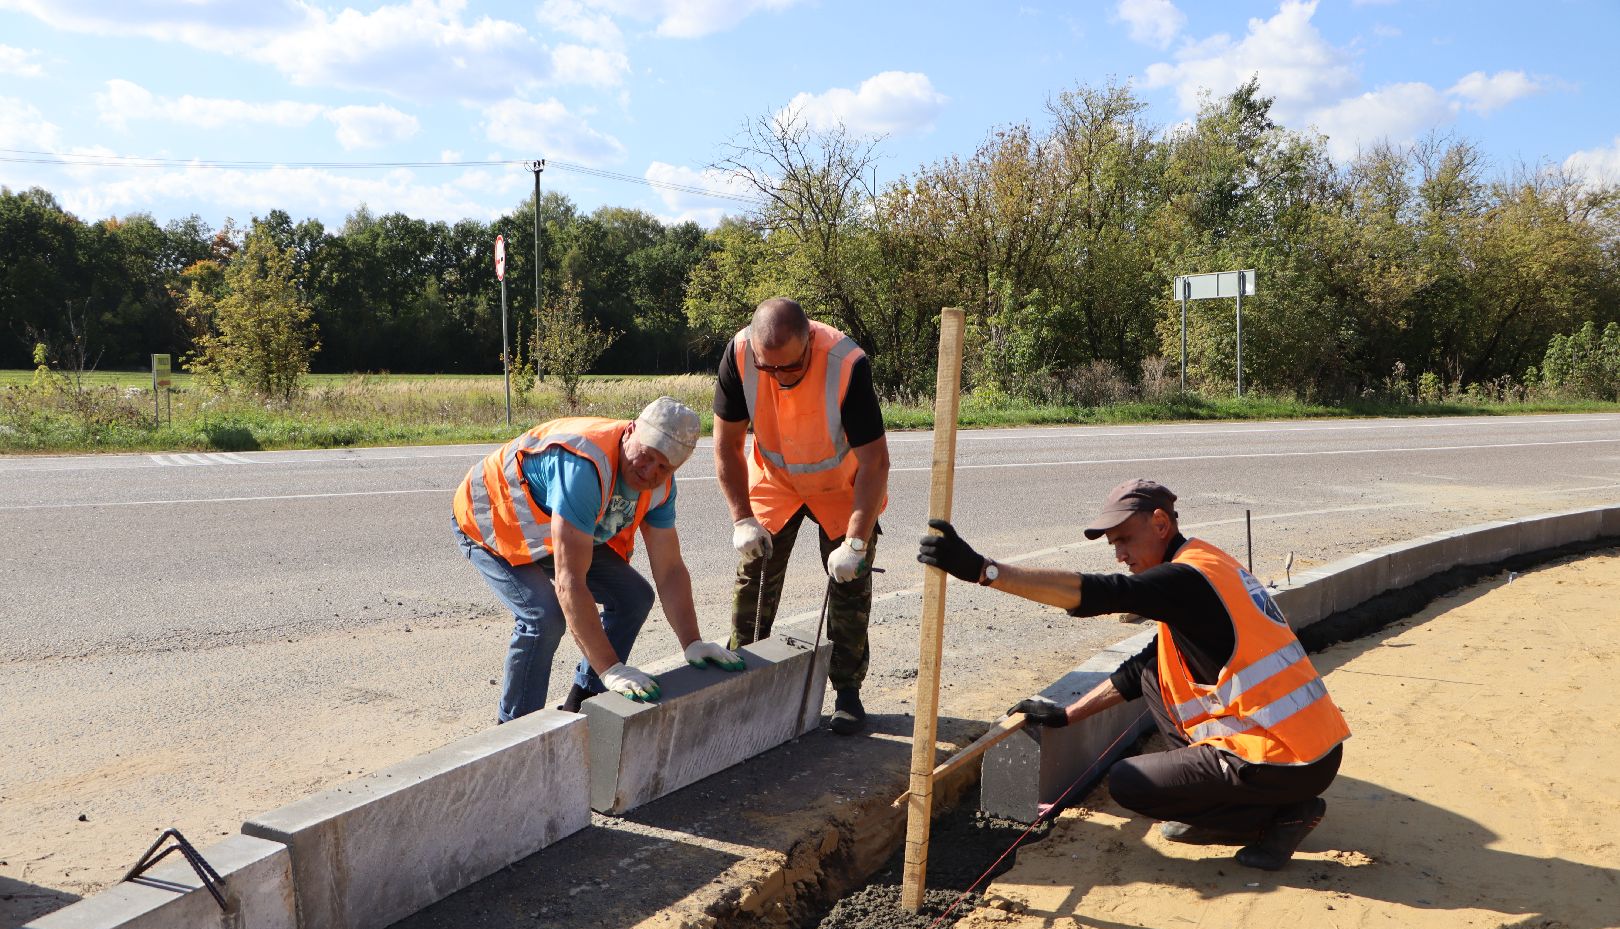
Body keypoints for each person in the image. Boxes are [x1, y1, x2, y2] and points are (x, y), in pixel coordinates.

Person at [917, 479, 1350, 871]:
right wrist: (1067, 714)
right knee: (1153, 672)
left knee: (1129, 782)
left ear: (1160, 523)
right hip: (1310, 748)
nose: (1120, 554)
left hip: (1282, 758)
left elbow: (1100, 593)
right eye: (1113, 545)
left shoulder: (1184, 579)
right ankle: (1244, 809)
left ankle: (1278, 817)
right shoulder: (1207, 563)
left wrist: (983, 571)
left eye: (1125, 539)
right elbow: (1145, 666)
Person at [454, 395, 743, 723]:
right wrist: (611, 667)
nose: (649, 472)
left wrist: (692, 642)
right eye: (646, 456)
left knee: (634, 597)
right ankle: (514, 732)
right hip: (493, 520)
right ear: (631, 430)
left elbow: (670, 569)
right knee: (543, 617)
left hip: (556, 529)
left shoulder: (661, 489)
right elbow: (570, 582)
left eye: (664, 467)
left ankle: (584, 704)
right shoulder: (585, 465)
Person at [713, 298, 891, 734]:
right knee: (754, 577)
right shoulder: (739, 356)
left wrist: (854, 543)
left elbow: (875, 463)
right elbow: (726, 447)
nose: (778, 378)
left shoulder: (846, 363)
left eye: (788, 368)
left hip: (839, 487)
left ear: (809, 338)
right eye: (767, 368)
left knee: (849, 584)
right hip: (778, 481)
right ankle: (745, 680)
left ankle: (847, 691)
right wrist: (742, 519)